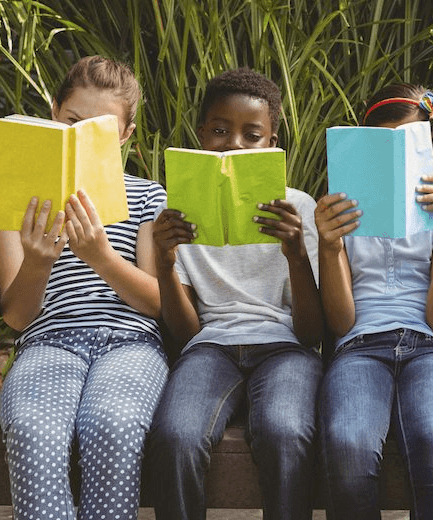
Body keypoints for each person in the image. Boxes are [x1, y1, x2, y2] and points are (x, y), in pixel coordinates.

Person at [0, 55, 168, 520]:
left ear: (125, 135)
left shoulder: (148, 196)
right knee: (31, 429)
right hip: (47, 341)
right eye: (73, 121)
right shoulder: (9, 199)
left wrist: (101, 257)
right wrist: (40, 262)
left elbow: (157, 303)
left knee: (113, 424)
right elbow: (17, 316)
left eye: (102, 129)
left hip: (130, 343)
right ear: (54, 114)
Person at [147, 67, 324, 520]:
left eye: (252, 134)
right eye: (221, 131)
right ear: (201, 134)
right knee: (177, 435)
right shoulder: (177, 211)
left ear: (272, 142)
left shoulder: (298, 207)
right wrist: (165, 264)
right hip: (211, 347)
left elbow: (309, 332)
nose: (235, 145)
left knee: (285, 431)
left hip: (285, 347)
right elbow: (187, 333)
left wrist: (295, 253)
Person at [314, 84, 433, 519]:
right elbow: (341, 322)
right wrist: (329, 247)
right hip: (359, 345)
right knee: (348, 446)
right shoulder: (343, 214)